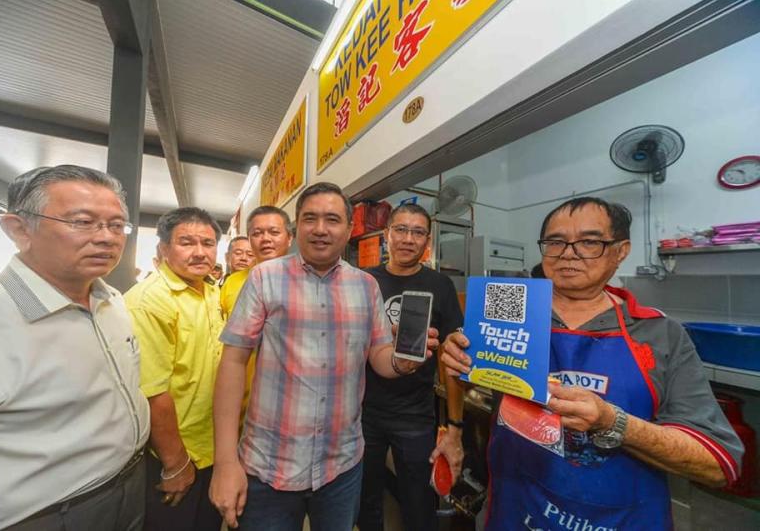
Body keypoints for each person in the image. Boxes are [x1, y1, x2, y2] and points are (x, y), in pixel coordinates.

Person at [441, 197, 743, 529]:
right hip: (515, 511)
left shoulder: (659, 332)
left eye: (589, 241)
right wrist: (457, 360)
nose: (568, 253)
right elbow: (466, 373)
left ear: (621, 249)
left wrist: (613, 423)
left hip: (619, 519)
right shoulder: (511, 305)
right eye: (555, 242)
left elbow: (718, 463)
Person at [209, 183, 448, 530]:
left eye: (332, 219)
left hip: (342, 466)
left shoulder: (366, 286)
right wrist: (225, 461)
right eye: (310, 219)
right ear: (296, 228)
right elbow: (232, 362)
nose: (321, 229)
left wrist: (402, 361)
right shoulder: (265, 278)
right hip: (269, 465)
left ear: (349, 229)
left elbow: (380, 355)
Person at [0, 165, 150, 530]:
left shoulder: (111, 300)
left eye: (116, 225)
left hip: (126, 489)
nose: (107, 238)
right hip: (45, 515)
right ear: (19, 230)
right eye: (83, 222)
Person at [358, 203, 463, 531]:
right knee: (365, 501)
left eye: (417, 232)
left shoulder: (441, 285)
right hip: (363, 413)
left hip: (416, 416)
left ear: (427, 241)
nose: (408, 239)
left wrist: (455, 427)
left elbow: (453, 359)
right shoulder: (363, 282)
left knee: (419, 505)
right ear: (386, 235)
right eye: (400, 230)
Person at [125, 207, 225, 531]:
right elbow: (153, 392)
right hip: (174, 455)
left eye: (208, 243)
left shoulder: (211, 291)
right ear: (163, 249)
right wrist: (175, 463)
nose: (199, 252)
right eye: (187, 242)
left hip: (210, 448)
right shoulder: (150, 301)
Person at [220, 206, 293, 425]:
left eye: (274, 232)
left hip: (283, 398)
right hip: (236, 393)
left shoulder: (304, 281)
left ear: (290, 238)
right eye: (257, 233)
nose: (265, 239)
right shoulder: (232, 282)